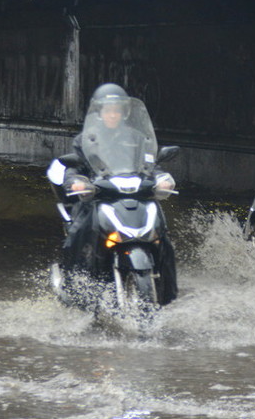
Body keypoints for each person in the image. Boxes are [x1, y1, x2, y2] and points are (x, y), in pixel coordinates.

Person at [57, 83, 177, 299]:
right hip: (98, 197)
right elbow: (75, 167)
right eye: (108, 109)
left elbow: (151, 164)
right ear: (99, 112)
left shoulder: (138, 138)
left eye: (117, 110)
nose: (112, 114)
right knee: (77, 233)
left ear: (124, 112)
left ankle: (168, 291)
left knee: (163, 237)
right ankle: (71, 287)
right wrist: (76, 181)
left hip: (135, 194)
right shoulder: (86, 139)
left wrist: (161, 179)